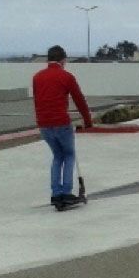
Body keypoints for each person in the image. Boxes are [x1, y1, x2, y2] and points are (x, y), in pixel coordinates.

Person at [32, 45, 93, 209]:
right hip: (61, 123)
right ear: (63, 60)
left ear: (48, 59)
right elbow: (79, 99)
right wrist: (87, 120)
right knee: (69, 155)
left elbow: (37, 101)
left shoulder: (37, 77)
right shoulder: (66, 76)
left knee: (57, 156)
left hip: (44, 125)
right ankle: (66, 193)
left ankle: (55, 194)